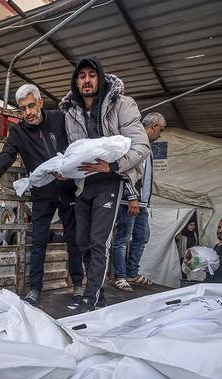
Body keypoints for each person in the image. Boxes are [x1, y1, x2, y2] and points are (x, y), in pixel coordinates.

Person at [0, 84, 83, 307]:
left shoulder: (60, 119)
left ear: (40, 102)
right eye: (22, 109)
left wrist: (70, 170)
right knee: (38, 240)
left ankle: (78, 284)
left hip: (68, 188)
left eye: (31, 106)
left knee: (74, 238)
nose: (28, 112)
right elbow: (5, 157)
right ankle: (34, 289)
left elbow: (78, 146)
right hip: (42, 193)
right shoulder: (18, 132)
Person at [58, 57, 151, 311]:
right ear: (76, 82)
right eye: (81, 76)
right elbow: (74, 150)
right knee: (82, 241)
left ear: (99, 77)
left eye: (91, 75)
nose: (86, 80)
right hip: (83, 183)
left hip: (110, 180)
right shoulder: (71, 112)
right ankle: (96, 294)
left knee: (99, 241)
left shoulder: (122, 104)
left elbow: (142, 146)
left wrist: (111, 166)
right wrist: (66, 170)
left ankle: (91, 295)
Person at [110, 112, 166, 291]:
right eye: (161, 130)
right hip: (129, 201)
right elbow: (124, 171)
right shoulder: (133, 141)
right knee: (122, 238)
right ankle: (119, 276)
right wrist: (131, 196)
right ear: (153, 126)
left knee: (142, 237)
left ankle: (131, 273)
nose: (160, 134)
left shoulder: (147, 146)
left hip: (141, 202)